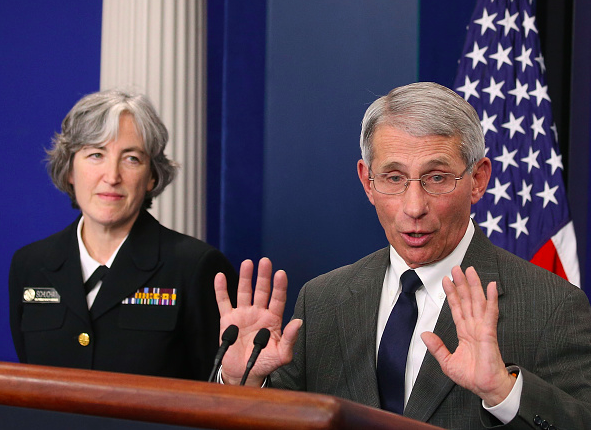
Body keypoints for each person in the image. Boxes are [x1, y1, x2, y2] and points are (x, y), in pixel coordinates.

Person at [214, 82, 591, 428]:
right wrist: (243, 382)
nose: (414, 207)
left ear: (477, 180)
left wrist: (504, 393)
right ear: (367, 182)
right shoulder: (322, 300)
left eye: (437, 177)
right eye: (394, 178)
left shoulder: (552, 305)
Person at [9, 89, 237, 380]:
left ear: (152, 176)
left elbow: (221, 392)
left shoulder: (196, 266)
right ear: (69, 170)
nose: (112, 176)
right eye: (95, 154)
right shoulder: (30, 265)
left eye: (131, 159)